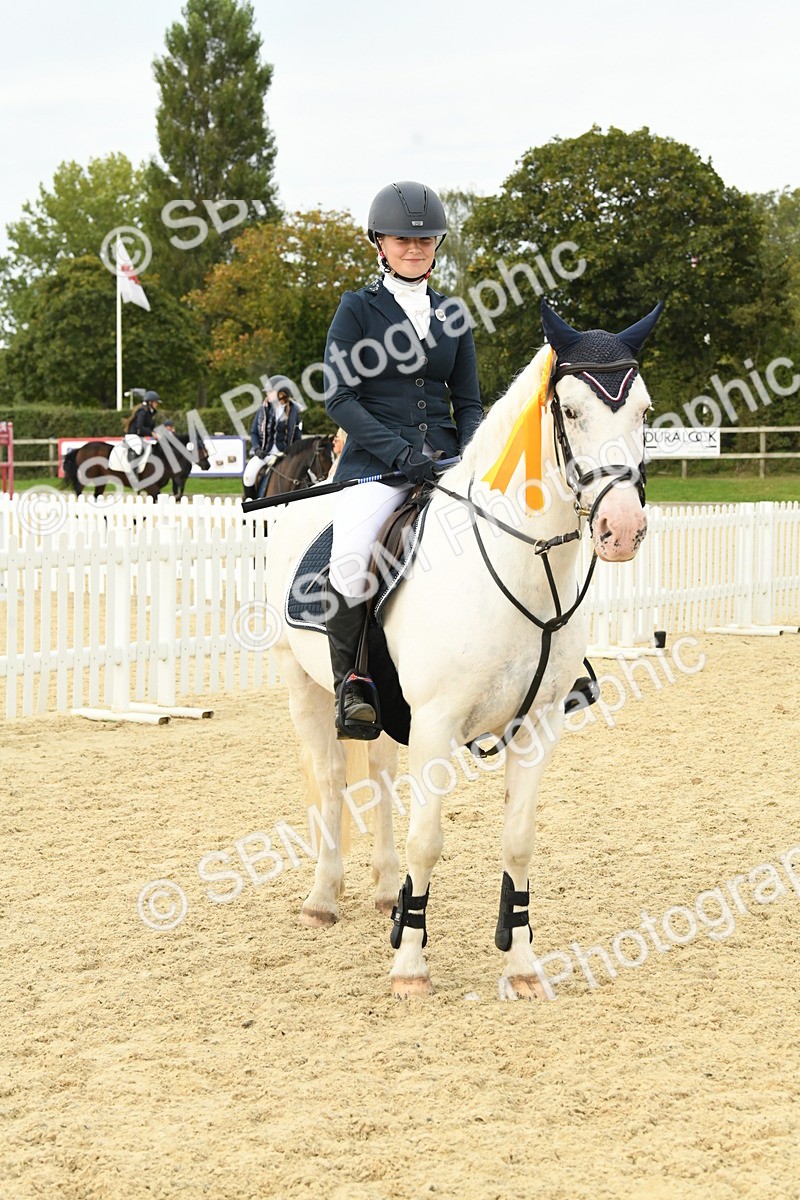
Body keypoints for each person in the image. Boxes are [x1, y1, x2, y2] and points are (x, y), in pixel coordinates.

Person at [324, 180, 483, 739]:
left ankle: (544, 668)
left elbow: (467, 403)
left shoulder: (453, 315)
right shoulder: (357, 309)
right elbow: (339, 397)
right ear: (379, 243)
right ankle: (354, 688)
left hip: (446, 461)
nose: (414, 248)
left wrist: (467, 458)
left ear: (437, 244)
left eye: (425, 239)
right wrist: (399, 453)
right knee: (350, 558)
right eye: (402, 240)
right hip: (374, 464)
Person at [243, 375, 304, 500]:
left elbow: (298, 438)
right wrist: (257, 449)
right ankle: (250, 504)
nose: (267, 394)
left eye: (270, 391)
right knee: (248, 475)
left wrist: (295, 454)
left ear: (282, 393)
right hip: (264, 454)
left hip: (285, 456)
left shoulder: (294, 412)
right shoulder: (263, 409)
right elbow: (254, 432)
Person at [124, 390, 160, 464]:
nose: (157, 404)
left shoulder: (151, 412)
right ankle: (132, 469)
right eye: (155, 402)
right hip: (133, 435)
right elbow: (139, 426)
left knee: (149, 448)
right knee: (138, 448)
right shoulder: (142, 412)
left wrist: (157, 434)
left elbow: (151, 427)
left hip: (140, 436)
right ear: (150, 402)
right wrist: (151, 433)